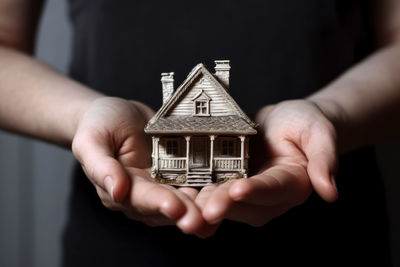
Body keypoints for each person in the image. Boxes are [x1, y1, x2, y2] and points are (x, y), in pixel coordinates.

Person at [0, 0, 398, 266]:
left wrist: (331, 114)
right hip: (113, 242)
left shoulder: (218, 111)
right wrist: (82, 116)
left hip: (329, 241)